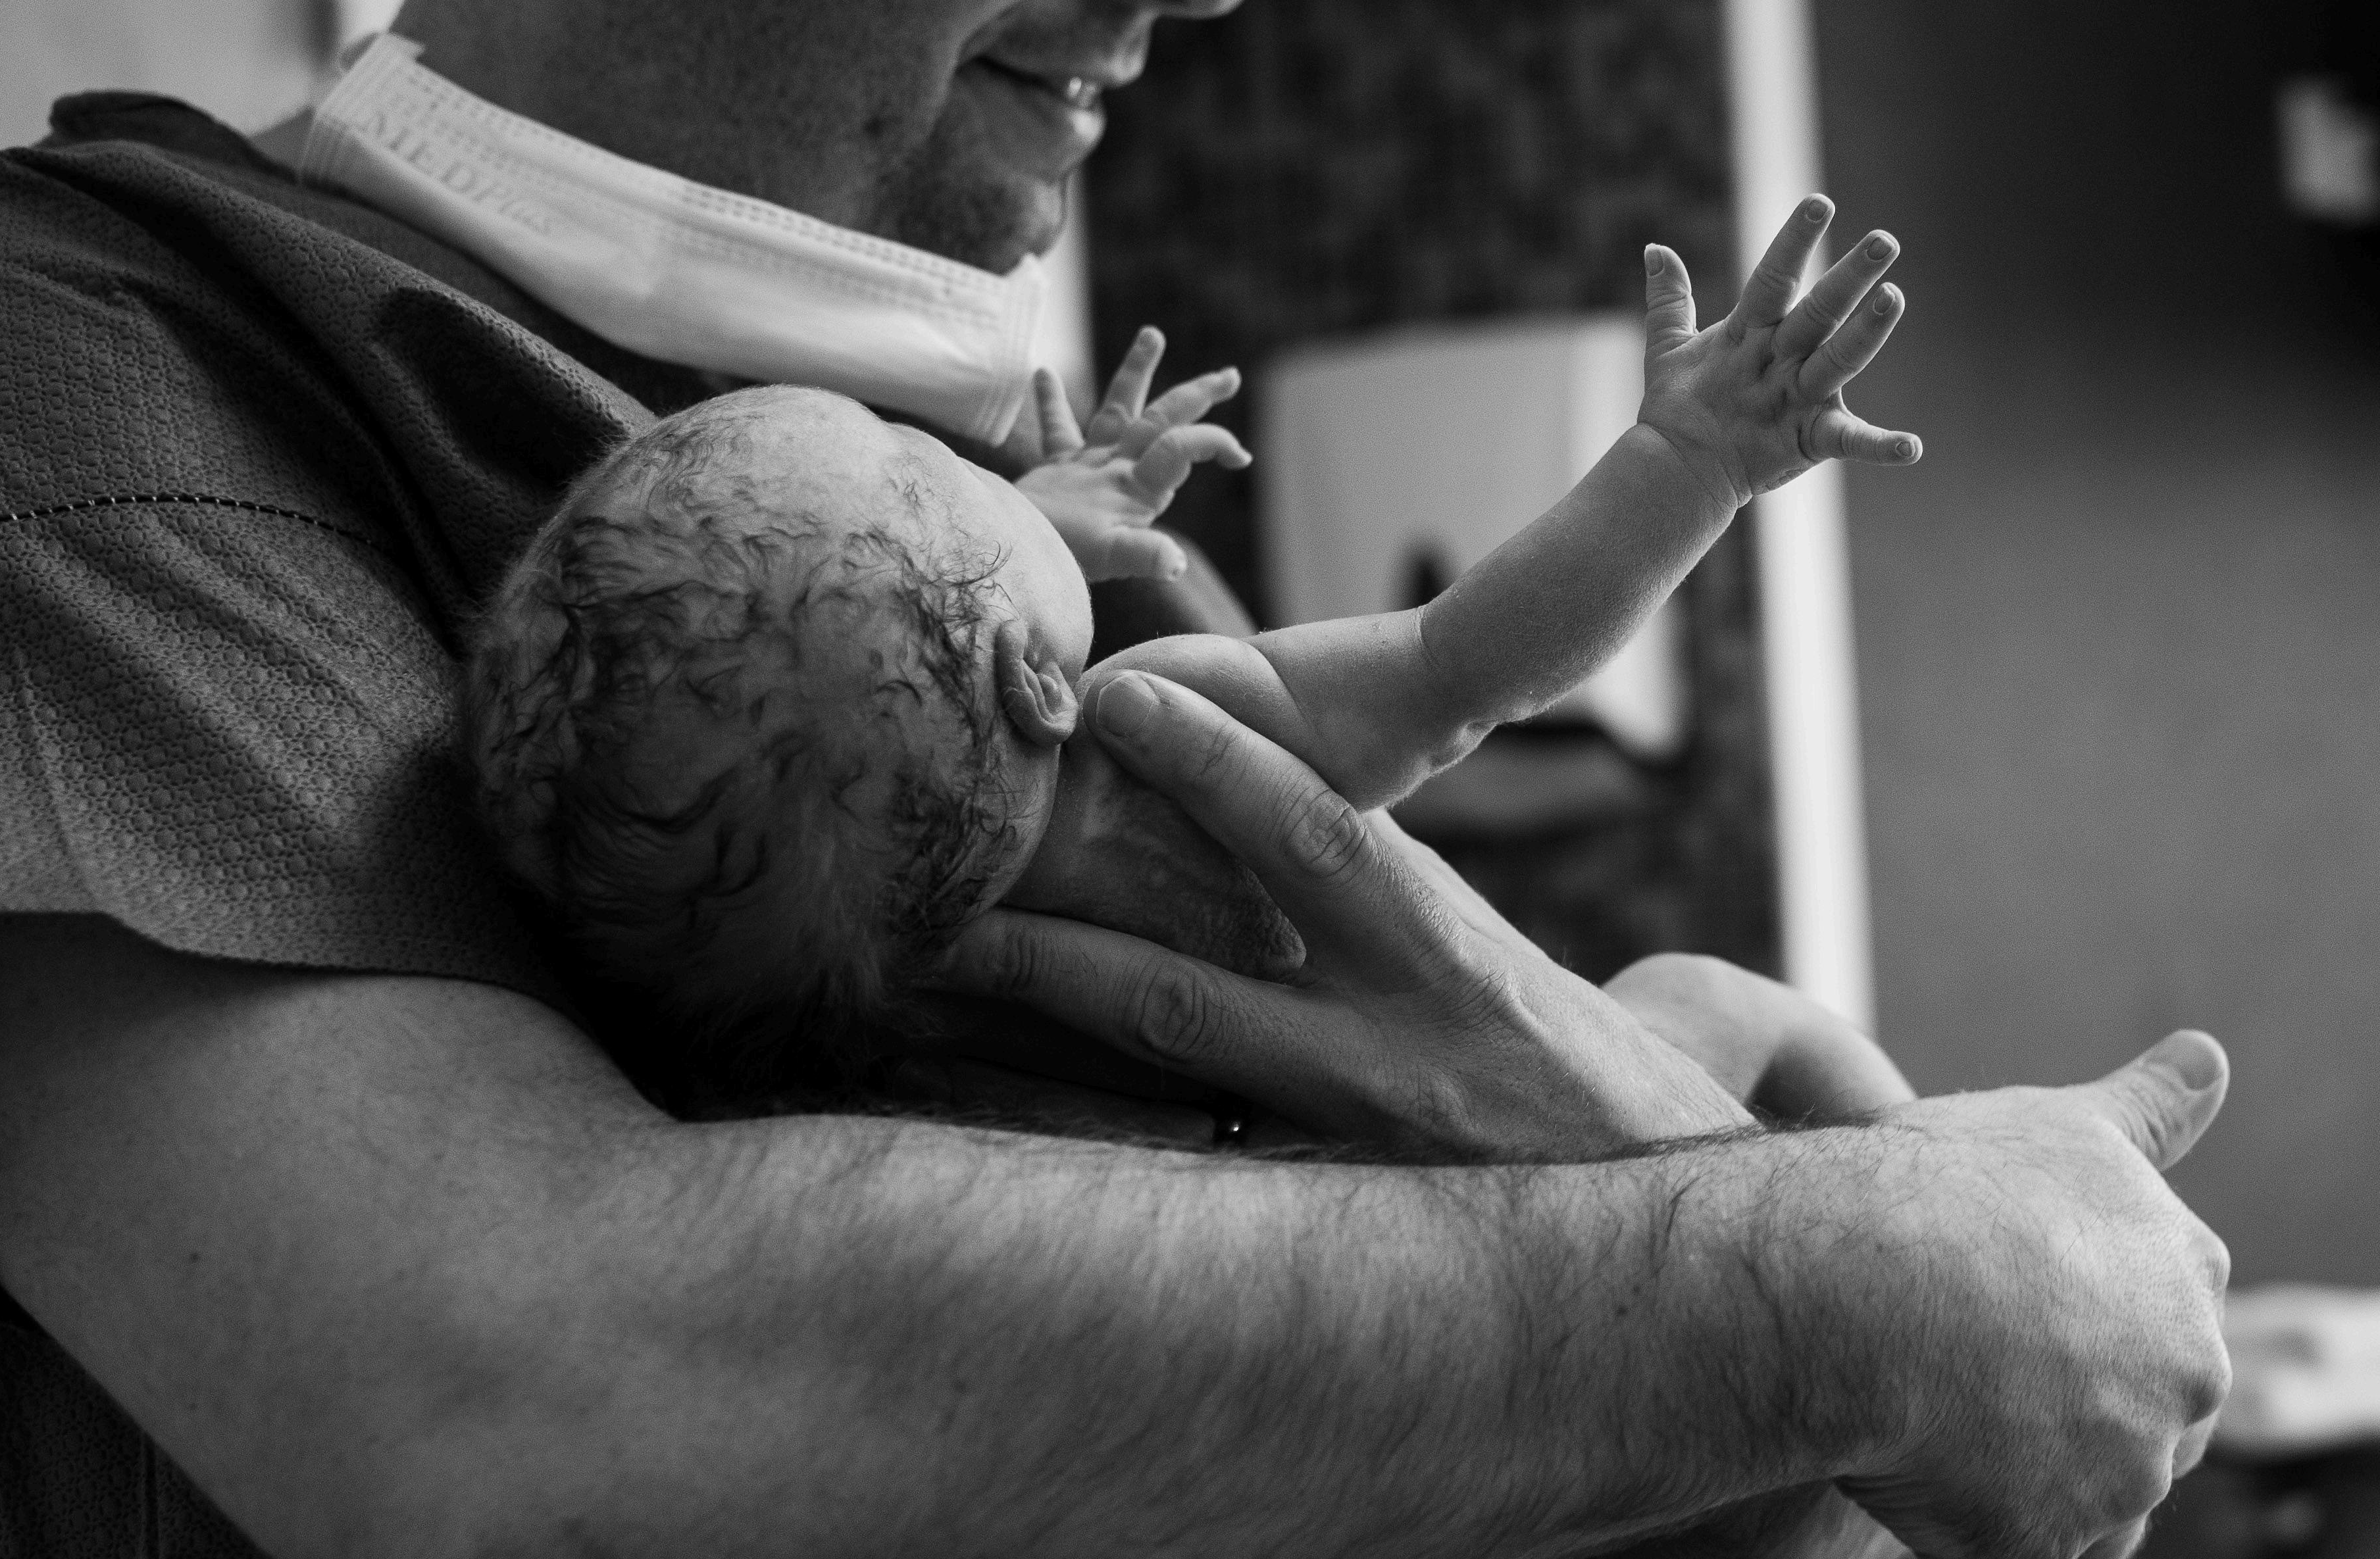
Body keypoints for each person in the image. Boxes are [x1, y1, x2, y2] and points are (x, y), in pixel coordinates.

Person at [0, 3, 2234, 1559]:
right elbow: (537, 1432)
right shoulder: (68, 373)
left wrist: (1721, 1242)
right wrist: (1836, 1281)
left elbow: (1749, 1528)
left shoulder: (1017, 549)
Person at [457, 194, 1923, 1112]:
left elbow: (900, 638)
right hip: (1537, 1151)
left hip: (1352, 1296)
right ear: (1042, 686)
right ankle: (1926, 1159)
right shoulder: (1168, 737)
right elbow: (1464, 668)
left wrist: (1033, 527)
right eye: (938, 466)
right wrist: (1688, 464)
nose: (990, 469)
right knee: (1719, 1005)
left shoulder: (891, 1013)